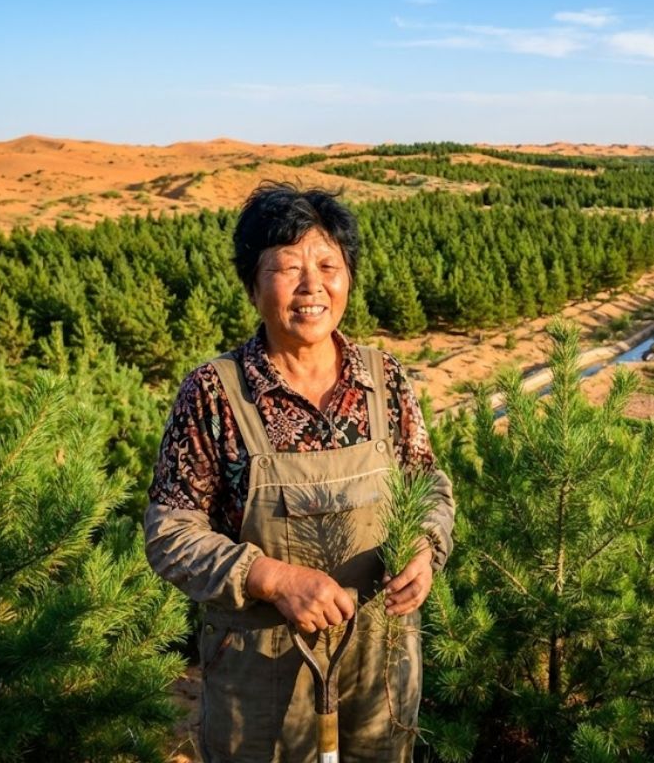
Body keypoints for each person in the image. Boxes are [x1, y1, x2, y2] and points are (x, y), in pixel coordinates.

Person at [144, 183, 455, 763]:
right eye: (288, 268)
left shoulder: (382, 379)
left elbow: (428, 484)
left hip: (378, 671)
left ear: (349, 277)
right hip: (258, 678)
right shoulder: (215, 394)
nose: (313, 287)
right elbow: (169, 534)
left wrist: (425, 547)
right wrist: (275, 579)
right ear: (253, 284)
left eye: (329, 266)